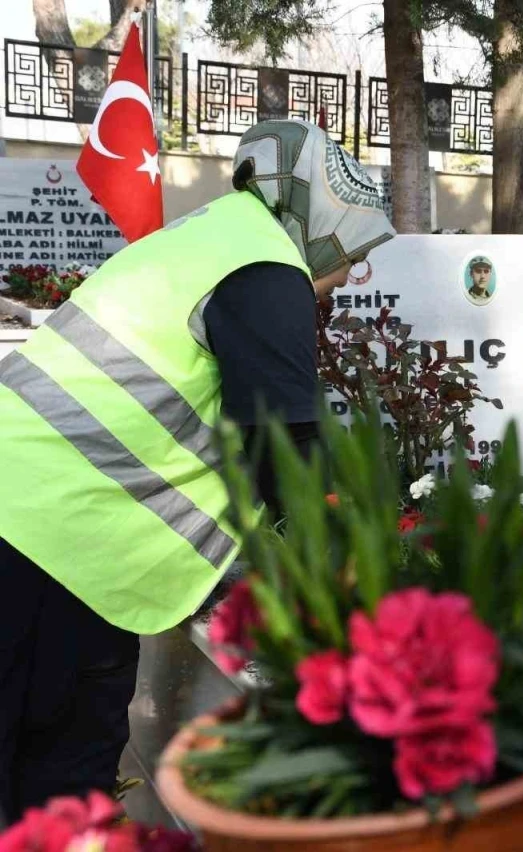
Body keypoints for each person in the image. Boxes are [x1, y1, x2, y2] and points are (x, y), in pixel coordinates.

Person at [0, 119, 394, 820]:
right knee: (60, 780)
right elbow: (286, 448)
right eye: (355, 249)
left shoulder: (218, 237)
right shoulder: (269, 267)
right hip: (50, 544)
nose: (353, 273)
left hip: (34, 518)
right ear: (321, 222)